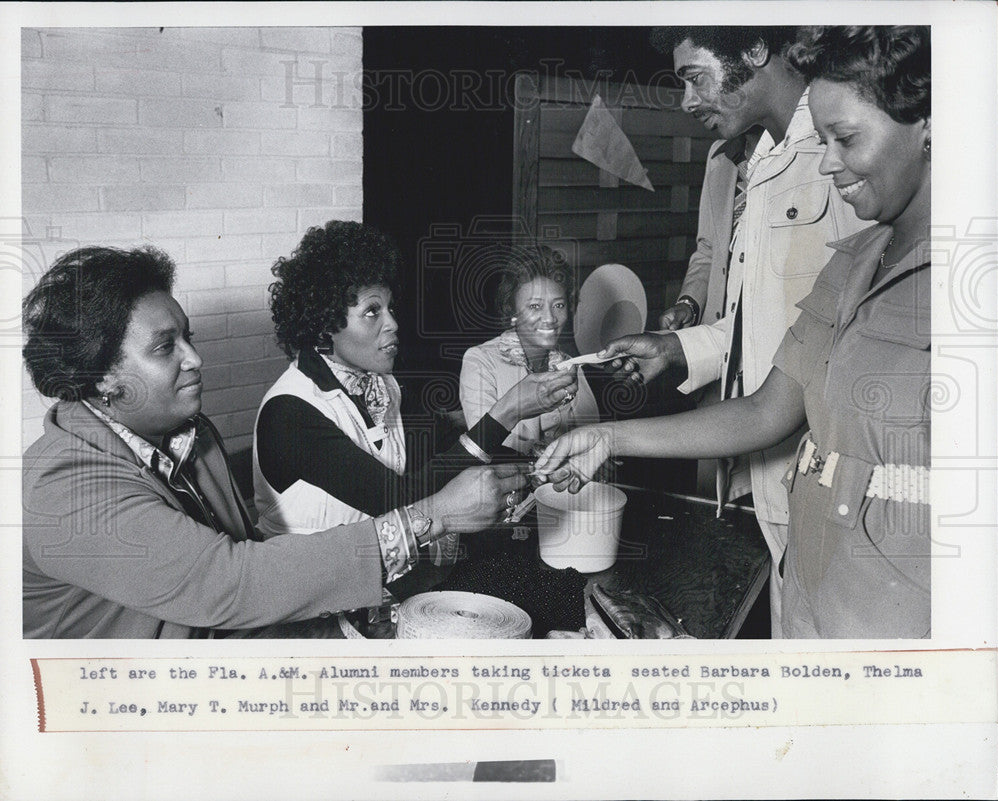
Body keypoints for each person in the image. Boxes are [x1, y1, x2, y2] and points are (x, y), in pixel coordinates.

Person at [535, 25, 932, 639]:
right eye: (823, 139)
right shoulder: (851, 255)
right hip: (802, 561)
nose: (828, 162)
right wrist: (610, 433)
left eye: (845, 138)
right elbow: (769, 398)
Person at [22, 245, 526, 638]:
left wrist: (349, 628)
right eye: (164, 347)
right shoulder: (65, 488)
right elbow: (227, 582)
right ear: (100, 377)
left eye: (187, 337)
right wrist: (432, 517)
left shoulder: (186, 434)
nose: (194, 358)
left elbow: (240, 558)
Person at [611, 26, 868, 635]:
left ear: (754, 50)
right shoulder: (755, 158)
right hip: (760, 467)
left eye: (695, 77)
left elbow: (848, 338)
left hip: (827, 474)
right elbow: (772, 324)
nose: (687, 101)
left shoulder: (842, 157)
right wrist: (678, 345)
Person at [253, 222, 561, 550]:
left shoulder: (382, 384)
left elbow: (443, 445)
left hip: (379, 576)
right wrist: (507, 411)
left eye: (390, 308)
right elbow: (397, 501)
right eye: (372, 311)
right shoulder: (290, 412)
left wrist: (543, 462)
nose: (393, 323)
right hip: (311, 591)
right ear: (324, 326)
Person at [460, 243, 600, 456]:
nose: (550, 319)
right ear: (513, 311)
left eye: (558, 305)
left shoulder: (570, 365)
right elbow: (484, 446)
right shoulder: (480, 360)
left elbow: (592, 436)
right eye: (535, 306)